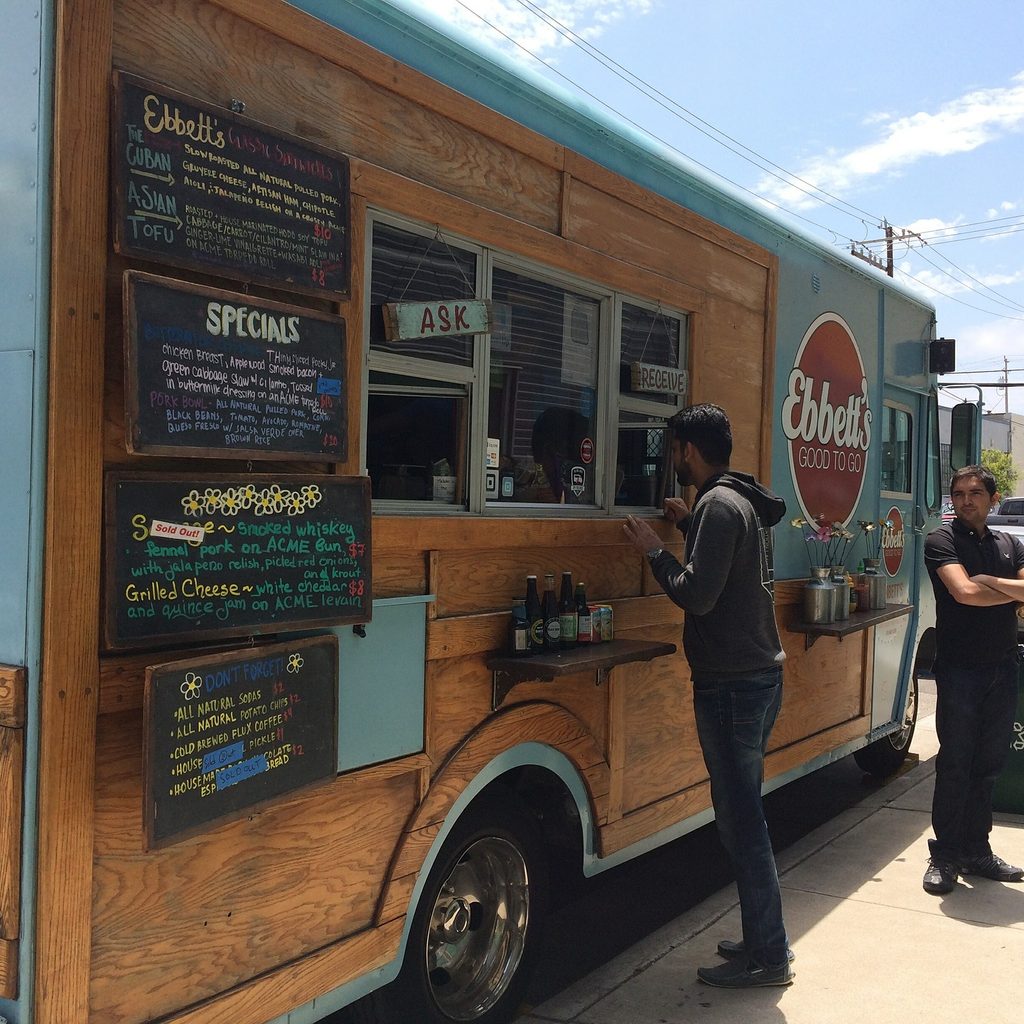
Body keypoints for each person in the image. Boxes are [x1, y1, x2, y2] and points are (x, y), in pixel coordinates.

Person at [622, 403, 792, 988]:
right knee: (741, 819)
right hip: (753, 680)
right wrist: (685, 527)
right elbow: (724, 568)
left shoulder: (717, 506)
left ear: (688, 450)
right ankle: (762, 939)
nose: (671, 460)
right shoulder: (730, 502)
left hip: (733, 688)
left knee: (743, 824)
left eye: (673, 450)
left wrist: (652, 549)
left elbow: (698, 596)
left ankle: (769, 955)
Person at [921, 464, 1024, 895]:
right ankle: (944, 854)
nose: (966, 500)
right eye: (959, 493)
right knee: (956, 763)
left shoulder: (1009, 543)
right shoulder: (941, 540)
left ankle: (976, 850)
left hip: (1003, 668)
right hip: (961, 670)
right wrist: (1007, 592)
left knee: (988, 766)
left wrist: (987, 581)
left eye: (975, 492)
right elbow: (961, 593)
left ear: (992, 499)